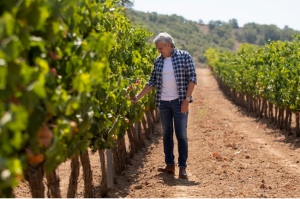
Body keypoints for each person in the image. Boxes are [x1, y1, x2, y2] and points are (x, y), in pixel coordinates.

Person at [132, 32, 197, 179]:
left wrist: (187, 100)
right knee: (166, 134)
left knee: (181, 134)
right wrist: (138, 97)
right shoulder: (158, 61)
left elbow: (193, 78)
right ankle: (170, 165)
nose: (159, 51)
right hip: (163, 102)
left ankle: (182, 167)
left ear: (168, 45)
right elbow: (152, 82)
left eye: (160, 48)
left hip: (179, 101)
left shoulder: (184, 56)